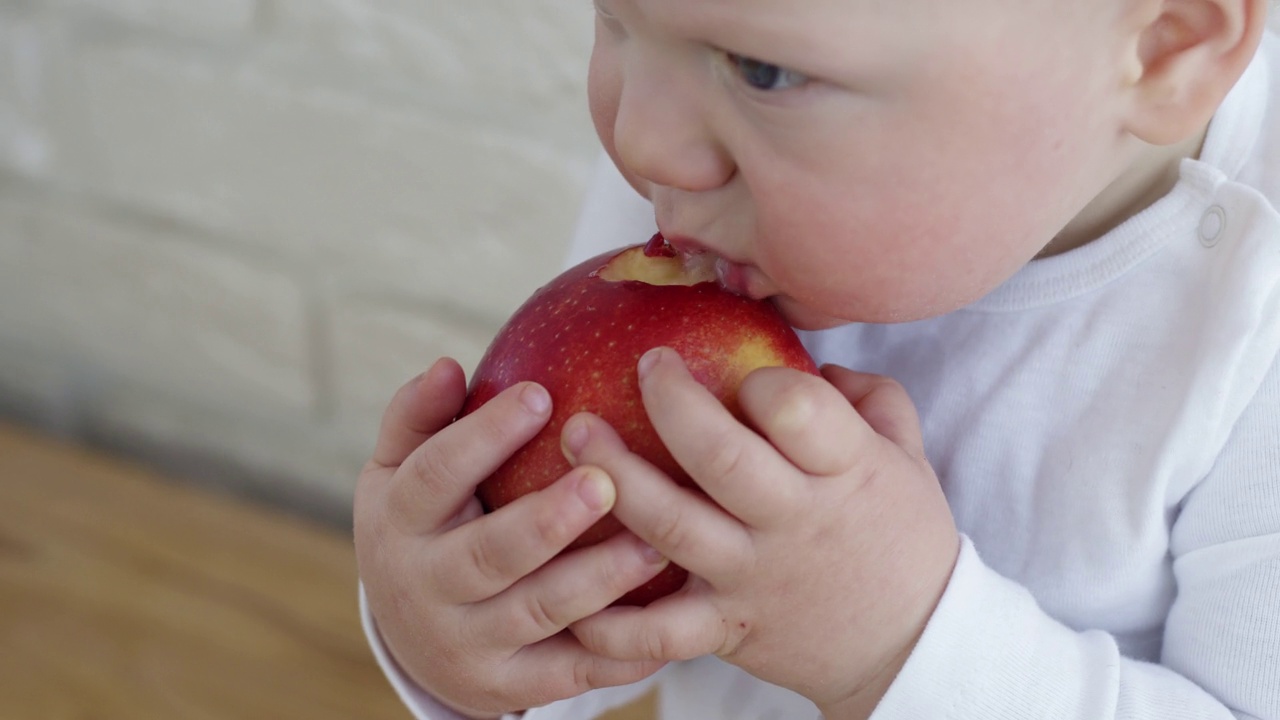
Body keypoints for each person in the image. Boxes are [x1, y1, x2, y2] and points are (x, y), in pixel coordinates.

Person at [354, 0, 1280, 718]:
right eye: (616, 19)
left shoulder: (1253, 319)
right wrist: (468, 631)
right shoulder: (709, 191)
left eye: (764, 70)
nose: (640, 140)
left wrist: (895, 646)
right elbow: (614, 608)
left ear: (1164, 48)